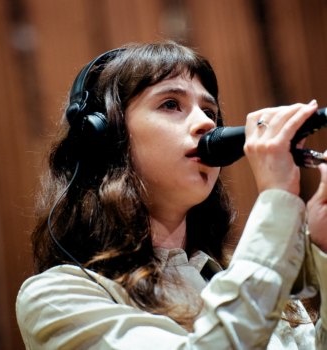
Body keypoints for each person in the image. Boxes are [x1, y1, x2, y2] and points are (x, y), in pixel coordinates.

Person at [16, 40, 327, 349]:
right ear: (107, 138)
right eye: (170, 104)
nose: (207, 122)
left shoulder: (249, 274)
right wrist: (276, 199)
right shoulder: (57, 297)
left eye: (209, 110)